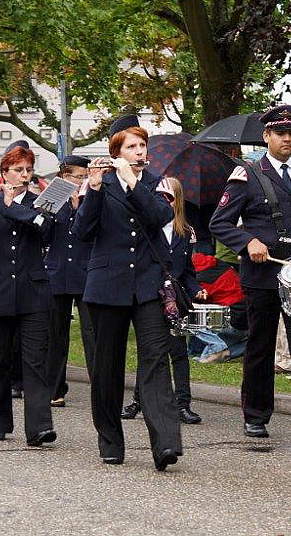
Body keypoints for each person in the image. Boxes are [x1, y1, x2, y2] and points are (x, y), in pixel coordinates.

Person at [209, 104, 291, 443]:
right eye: (280, 133)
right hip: (262, 275)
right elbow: (219, 223)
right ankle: (255, 416)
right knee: (260, 347)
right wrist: (247, 241)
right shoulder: (247, 174)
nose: (287, 139)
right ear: (266, 136)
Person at [72, 114, 182, 471]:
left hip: (147, 284)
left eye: (141, 145)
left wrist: (133, 182)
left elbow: (160, 217)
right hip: (107, 285)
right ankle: (110, 441)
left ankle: (165, 443)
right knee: (107, 366)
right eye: (131, 146)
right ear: (116, 152)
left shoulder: (155, 182)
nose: (138, 152)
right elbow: (82, 232)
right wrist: (93, 189)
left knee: (156, 361)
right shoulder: (100, 185)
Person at [0, 141, 56, 447]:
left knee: (35, 361)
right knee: (2, 360)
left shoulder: (39, 201)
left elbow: (46, 231)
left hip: (33, 291)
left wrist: (10, 206)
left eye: (28, 169)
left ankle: (40, 427)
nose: (25, 174)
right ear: (5, 173)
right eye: (18, 169)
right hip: (0, 290)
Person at [123, 176, 205, 424]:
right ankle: (138, 401)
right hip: (150, 295)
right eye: (160, 196)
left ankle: (183, 404)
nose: (164, 201)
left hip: (174, 299)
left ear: (177, 200)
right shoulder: (147, 226)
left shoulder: (185, 232)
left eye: (169, 197)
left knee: (179, 352)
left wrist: (196, 289)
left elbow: (187, 271)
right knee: (149, 351)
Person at [44, 154, 93, 407]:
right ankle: (55, 388)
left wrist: (79, 208)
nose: (82, 181)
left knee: (92, 334)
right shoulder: (53, 200)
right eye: (78, 176)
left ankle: (100, 388)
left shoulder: (92, 198)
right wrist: (54, 210)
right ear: (65, 176)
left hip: (85, 273)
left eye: (85, 177)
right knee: (56, 334)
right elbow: (43, 235)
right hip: (58, 272)